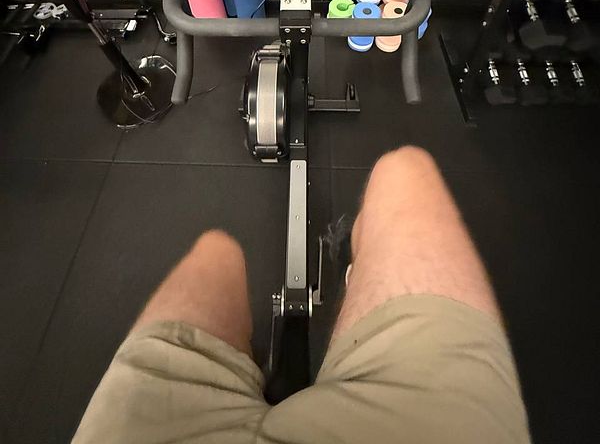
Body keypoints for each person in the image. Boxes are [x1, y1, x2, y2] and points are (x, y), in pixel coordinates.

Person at [72, 146, 531, 444]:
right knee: (404, 169)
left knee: (218, 252)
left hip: (151, 427)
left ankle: (342, 293)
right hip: (417, 428)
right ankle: (357, 272)